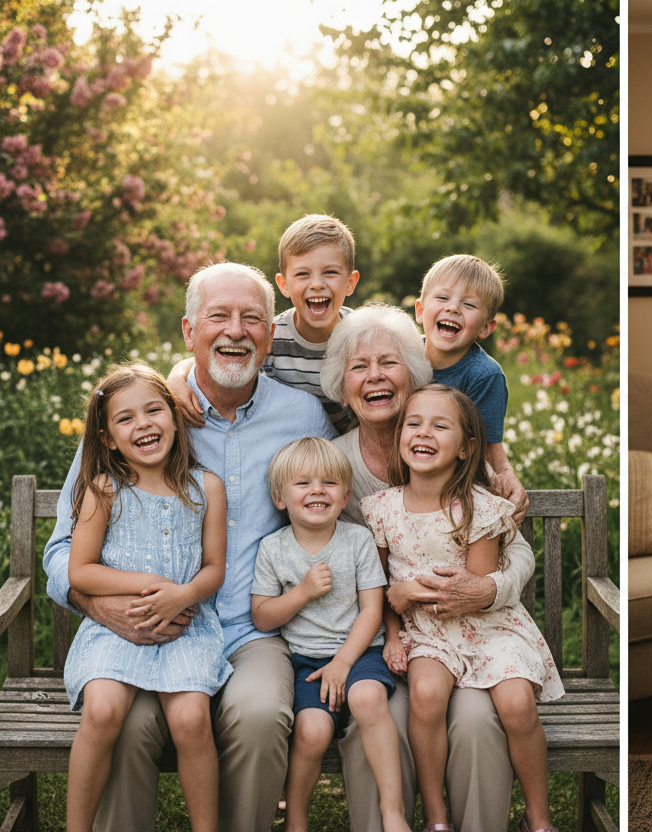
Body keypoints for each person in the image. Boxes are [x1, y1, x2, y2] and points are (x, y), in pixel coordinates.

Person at [44, 262, 338, 831]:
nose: (236, 330)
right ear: (188, 331)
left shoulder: (302, 416)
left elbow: (336, 511)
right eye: (218, 317)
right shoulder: (143, 414)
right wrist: (100, 606)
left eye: (252, 317)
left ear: (270, 333)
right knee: (125, 725)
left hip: (251, 628)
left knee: (259, 716)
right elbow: (63, 551)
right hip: (145, 629)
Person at [321, 303, 539, 832]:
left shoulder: (456, 451)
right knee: (379, 717)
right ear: (343, 386)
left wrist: (489, 588)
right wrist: (389, 606)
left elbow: (513, 548)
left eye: (389, 363)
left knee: (475, 720)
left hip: (466, 630)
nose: (375, 376)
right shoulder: (332, 465)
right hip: (377, 635)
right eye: (359, 367)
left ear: (413, 374)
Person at [363, 386, 563, 832]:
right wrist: (393, 635)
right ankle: (436, 817)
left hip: (488, 627)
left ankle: (539, 816)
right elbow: (379, 589)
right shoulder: (382, 510)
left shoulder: (481, 509)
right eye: (413, 423)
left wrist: (409, 589)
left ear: (467, 448)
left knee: (515, 703)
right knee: (428, 697)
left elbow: (470, 590)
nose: (423, 433)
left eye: (440, 425)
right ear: (399, 435)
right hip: (428, 634)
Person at [62, 362, 231, 832]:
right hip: (116, 630)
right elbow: (81, 571)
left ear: (174, 419)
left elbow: (214, 568)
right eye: (126, 418)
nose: (144, 425)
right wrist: (148, 584)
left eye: (154, 410)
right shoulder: (103, 490)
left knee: (193, 720)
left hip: (185, 627)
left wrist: (182, 595)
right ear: (108, 438)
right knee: (102, 710)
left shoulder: (206, 488)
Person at [251, 438, 408, 832]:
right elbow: (263, 617)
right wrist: (301, 593)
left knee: (368, 697)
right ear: (280, 498)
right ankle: (297, 819)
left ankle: (392, 811)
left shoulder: (357, 540)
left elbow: (373, 609)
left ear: (346, 496)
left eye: (330, 483)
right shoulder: (273, 548)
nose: (318, 490)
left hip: (360, 652)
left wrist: (343, 663)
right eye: (303, 483)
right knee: (312, 730)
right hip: (306, 660)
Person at [169, 213, 361, 432]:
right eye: (302, 274)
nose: (317, 284)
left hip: (356, 444)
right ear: (284, 284)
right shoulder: (273, 336)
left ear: (350, 282)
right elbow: (219, 355)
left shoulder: (362, 335)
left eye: (330, 272)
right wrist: (176, 378)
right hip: (296, 441)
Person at [415, 254, 527, 518]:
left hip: (457, 490)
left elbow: (488, 448)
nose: (453, 308)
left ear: (486, 328)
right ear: (420, 311)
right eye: (443, 298)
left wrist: (506, 475)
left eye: (468, 304)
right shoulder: (402, 356)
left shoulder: (484, 375)